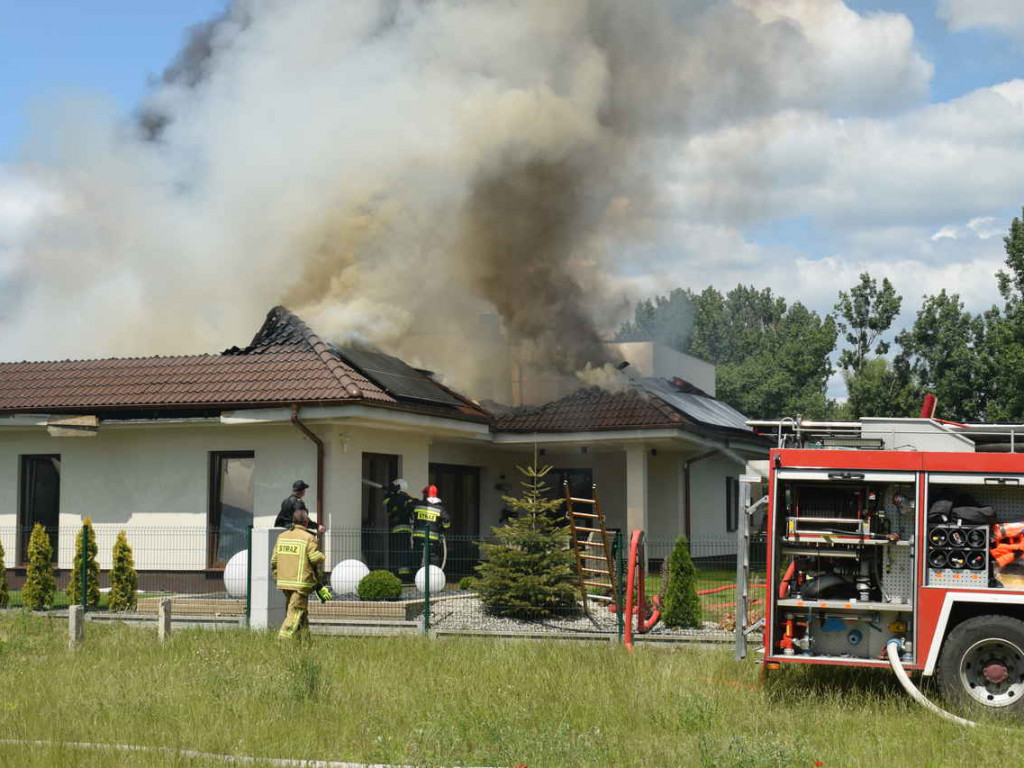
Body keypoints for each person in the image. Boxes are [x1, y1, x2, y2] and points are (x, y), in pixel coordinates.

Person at [270, 508, 326, 640]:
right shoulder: (309, 538)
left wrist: (277, 576)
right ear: (306, 522)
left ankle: (305, 641)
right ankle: (283, 640)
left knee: (301, 612)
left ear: (293, 521)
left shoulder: (282, 536)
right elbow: (314, 558)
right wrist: (322, 557)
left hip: (284, 582)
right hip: (301, 584)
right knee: (295, 612)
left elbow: (274, 561)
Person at [384, 478, 417, 581]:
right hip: (407, 529)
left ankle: (400, 574)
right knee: (405, 550)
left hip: (397, 528)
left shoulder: (394, 498)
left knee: (399, 551)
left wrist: (389, 493)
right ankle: (406, 573)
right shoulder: (408, 498)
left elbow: (386, 504)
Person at [411, 484, 450, 567]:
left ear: (425, 495)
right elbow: (447, 522)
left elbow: (410, 511)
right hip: (433, 538)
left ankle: (416, 577)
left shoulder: (417, 505)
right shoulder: (440, 509)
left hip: (418, 537)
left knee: (417, 557)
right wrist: (443, 528)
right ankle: (433, 577)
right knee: (433, 558)